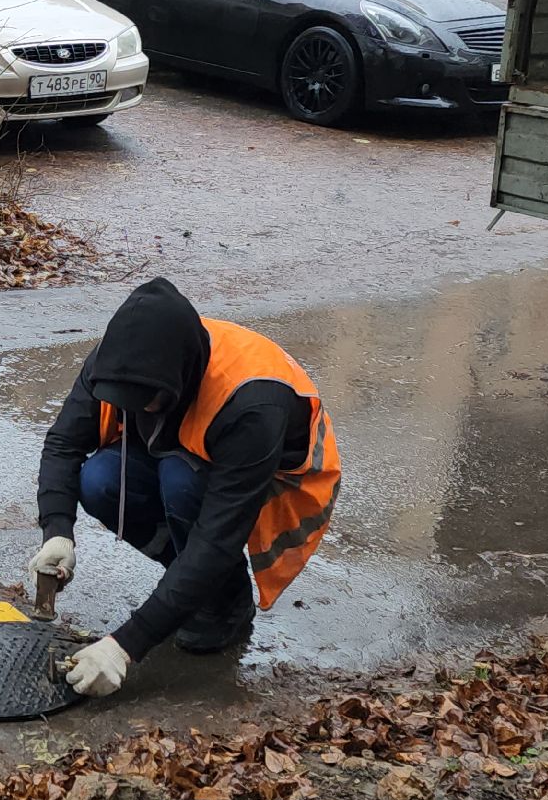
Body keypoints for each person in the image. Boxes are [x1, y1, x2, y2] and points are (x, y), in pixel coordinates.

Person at [30, 278, 341, 698]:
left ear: (177, 380)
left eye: (143, 401)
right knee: (99, 480)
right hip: (182, 449)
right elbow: (64, 443)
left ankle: (227, 601)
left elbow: (217, 537)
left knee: (180, 481)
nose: (131, 409)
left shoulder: (254, 401)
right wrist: (57, 532)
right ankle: (188, 583)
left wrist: (126, 645)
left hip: (266, 479)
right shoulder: (118, 360)